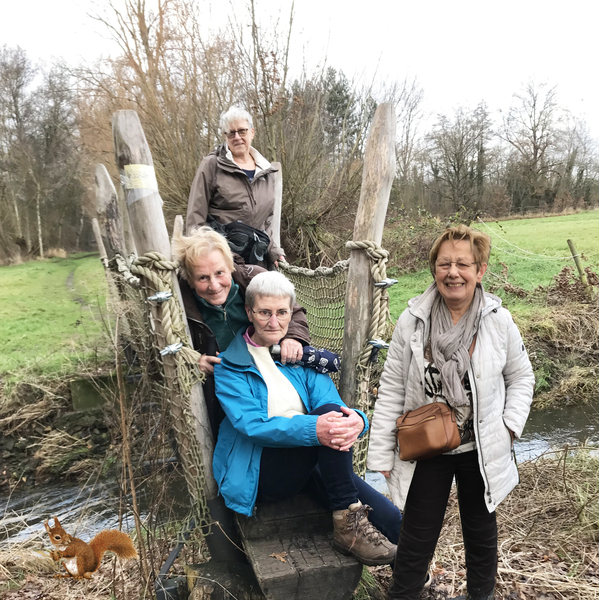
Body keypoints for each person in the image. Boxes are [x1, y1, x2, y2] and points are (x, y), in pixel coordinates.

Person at [367, 224, 535, 600]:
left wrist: (508, 428)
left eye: (463, 264)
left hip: (481, 447)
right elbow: (392, 387)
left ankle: (481, 595)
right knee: (415, 537)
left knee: (480, 534)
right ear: (434, 269)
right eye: (445, 264)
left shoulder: (497, 320)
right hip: (427, 448)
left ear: (480, 271)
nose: (453, 273)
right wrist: (380, 453)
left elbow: (522, 377)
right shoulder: (412, 321)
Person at [212, 271, 403, 566]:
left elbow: (334, 407)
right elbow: (252, 426)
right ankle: (348, 526)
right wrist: (317, 428)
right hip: (264, 469)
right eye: (264, 312)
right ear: (249, 312)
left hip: (311, 459)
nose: (274, 322)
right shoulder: (229, 367)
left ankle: (415, 584)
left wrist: (359, 421)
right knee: (325, 419)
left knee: (392, 519)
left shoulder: (303, 358)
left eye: (281, 312)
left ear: (291, 312)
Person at [173, 226, 308, 437]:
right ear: (190, 280)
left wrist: (293, 337)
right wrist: (193, 360)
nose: (214, 285)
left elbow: (293, 311)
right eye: (203, 278)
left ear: (230, 267)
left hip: (267, 369)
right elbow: (168, 347)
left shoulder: (254, 280)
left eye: (219, 273)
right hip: (224, 385)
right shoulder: (180, 305)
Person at [186, 106, 285, 266]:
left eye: (242, 131)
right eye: (231, 133)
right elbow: (195, 217)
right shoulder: (212, 165)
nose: (237, 137)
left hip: (257, 259)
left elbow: (268, 221)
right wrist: (203, 256)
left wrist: (274, 251)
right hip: (221, 260)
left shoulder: (267, 172)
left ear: (252, 132)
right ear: (225, 136)